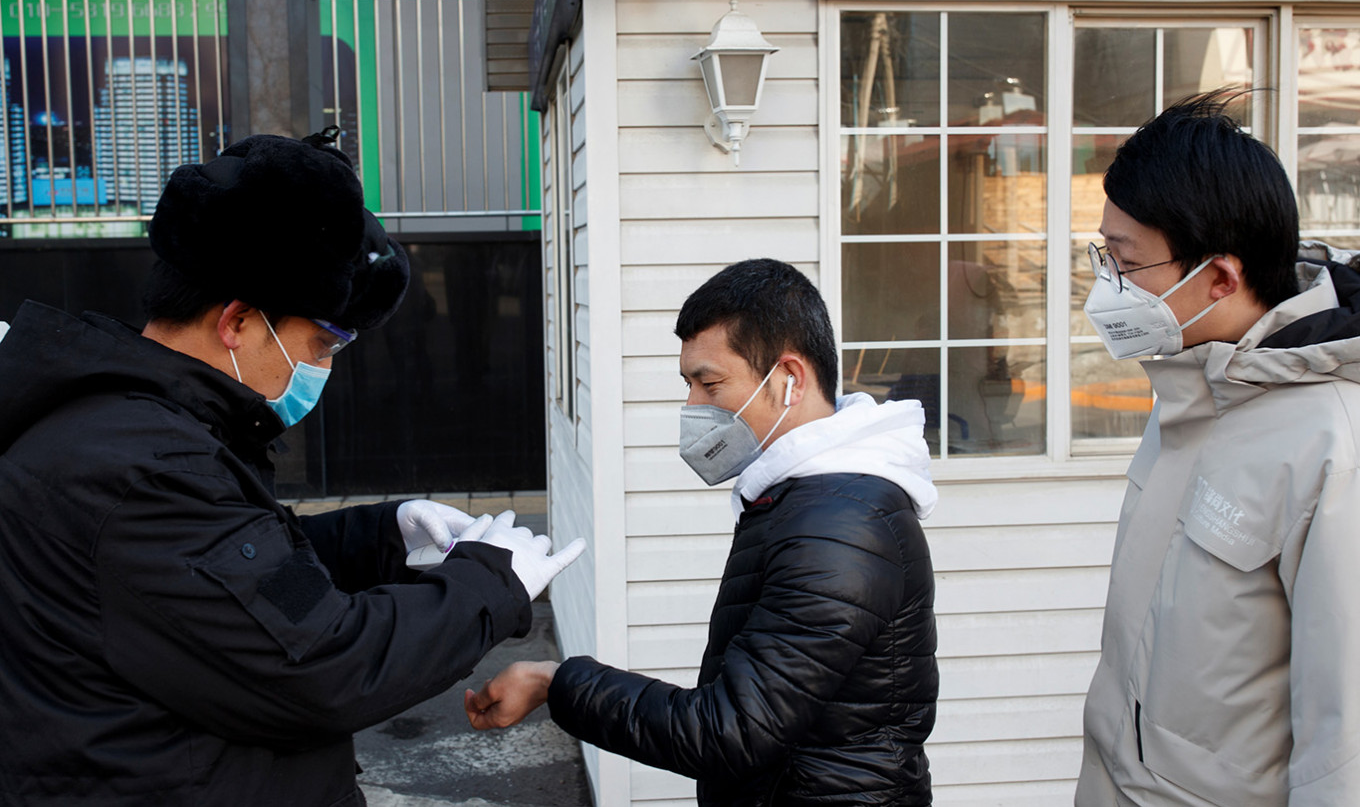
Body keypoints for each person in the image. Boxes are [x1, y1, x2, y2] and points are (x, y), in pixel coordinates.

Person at [0, 129, 584, 806]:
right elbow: (322, 666)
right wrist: (489, 582)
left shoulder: (133, 425)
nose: (323, 367)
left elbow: (235, 585)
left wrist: (383, 537)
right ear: (238, 321)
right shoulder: (143, 468)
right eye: (322, 343)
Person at [465, 258, 940, 806]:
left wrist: (557, 683)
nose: (693, 405)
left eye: (709, 383)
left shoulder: (839, 528)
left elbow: (729, 731)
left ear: (790, 379)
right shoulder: (809, 500)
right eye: (688, 383)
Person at [1077, 91, 1360, 805]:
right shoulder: (1191, 386)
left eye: (1125, 262)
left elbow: (1345, 743)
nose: (1106, 287)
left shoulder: (1332, 442)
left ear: (1221, 278)